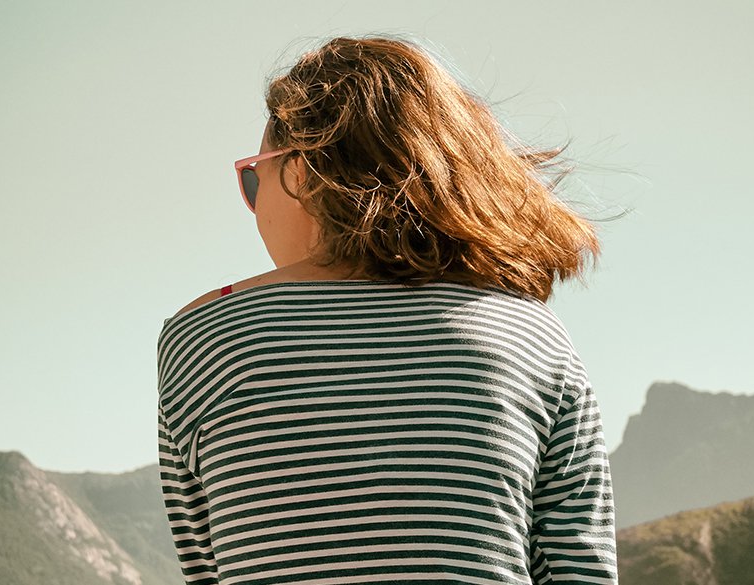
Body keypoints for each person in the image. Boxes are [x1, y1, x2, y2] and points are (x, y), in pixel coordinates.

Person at [157, 34, 617, 585]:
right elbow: (577, 569)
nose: (253, 205)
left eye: (254, 177)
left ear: (300, 173)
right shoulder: (532, 335)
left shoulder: (200, 337)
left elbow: (208, 568)